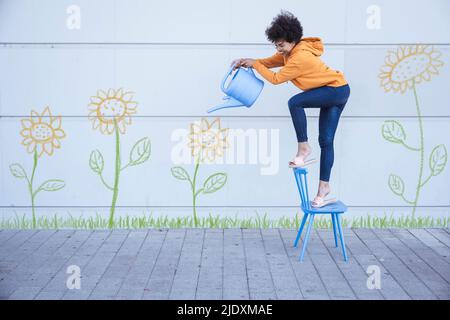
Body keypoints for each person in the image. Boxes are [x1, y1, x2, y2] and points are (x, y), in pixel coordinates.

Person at [231, 11, 350, 208]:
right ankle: (324, 189)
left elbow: (276, 79)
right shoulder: (290, 52)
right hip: (336, 90)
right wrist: (249, 61)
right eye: (276, 44)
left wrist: (256, 65)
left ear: (292, 40)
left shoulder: (299, 58)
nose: (279, 49)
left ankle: (303, 148)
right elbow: (269, 62)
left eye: (281, 45)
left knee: (295, 103)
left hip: (336, 90)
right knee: (326, 140)